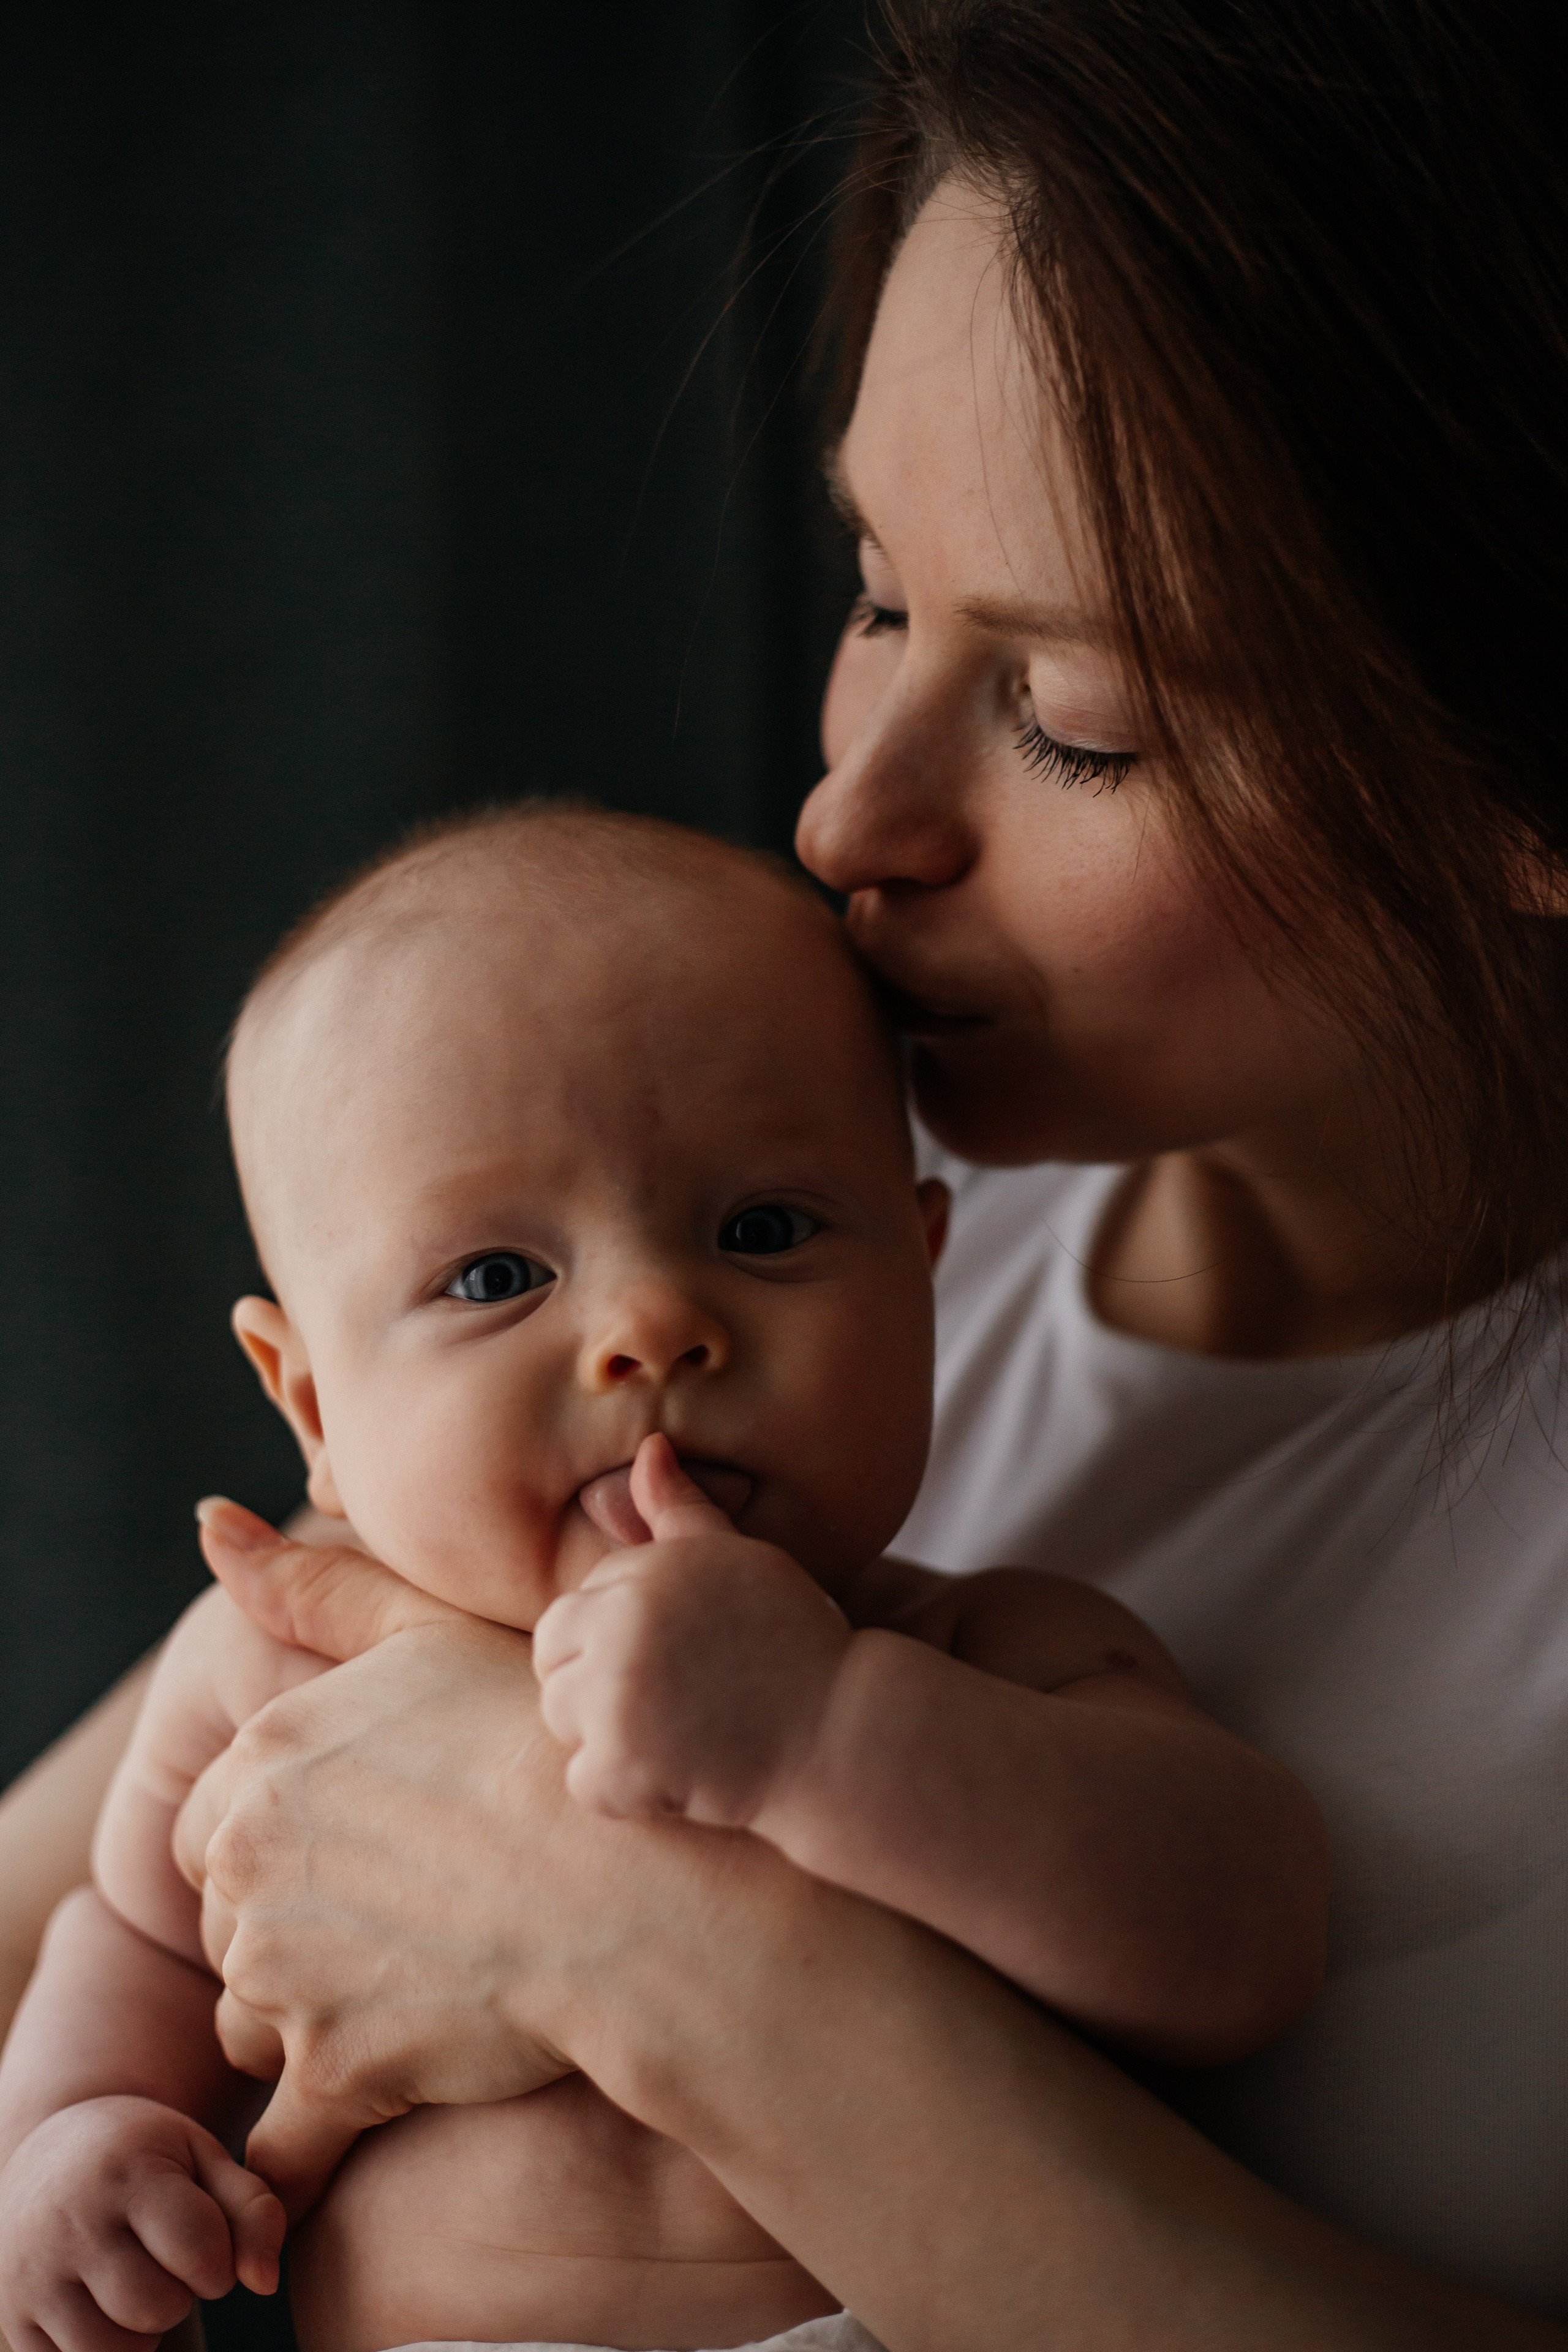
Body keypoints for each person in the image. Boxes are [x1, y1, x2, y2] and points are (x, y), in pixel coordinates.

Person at [4, 1, 1568, 2343]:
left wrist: (633, 1927)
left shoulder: (845, 1356)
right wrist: (72, 2151)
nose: (846, 818)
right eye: (876, 595)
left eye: (1078, 718)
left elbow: (1215, 1915)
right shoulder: (740, 1228)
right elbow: (71, 1932)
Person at [0, 806, 1325, 2352]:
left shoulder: (973, 1651)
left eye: (761, 1230)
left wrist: (830, 1729)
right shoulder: (266, 1665)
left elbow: (1236, 1940)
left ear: (926, 1280)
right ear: (310, 1407)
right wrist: (69, 2142)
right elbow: (132, 1936)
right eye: (496, 1278)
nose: (650, 1326)